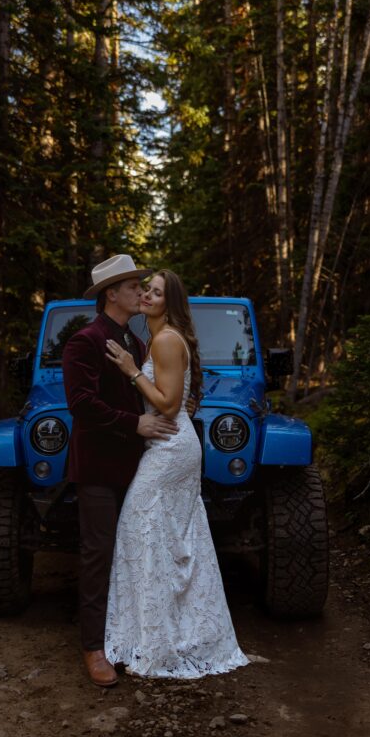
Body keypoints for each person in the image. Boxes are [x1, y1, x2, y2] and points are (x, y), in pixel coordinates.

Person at [103, 270, 249, 678]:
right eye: (145, 289)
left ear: (170, 302)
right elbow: (181, 396)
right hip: (169, 444)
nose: (147, 295)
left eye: (155, 292)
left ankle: (158, 640)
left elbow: (167, 406)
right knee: (169, 538)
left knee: (141, 527)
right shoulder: (158, 338)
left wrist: (132, 370)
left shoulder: (165, 339)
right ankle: (163, 633)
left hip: (170, 448)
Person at [62, 255, 179, 687]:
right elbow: (82, 405)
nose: (140, 292)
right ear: (112, 293)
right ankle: (93, 648)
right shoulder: (84, 341)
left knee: (137, 553)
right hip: (97, 468)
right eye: (133, 286)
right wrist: (135, 423)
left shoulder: (136, 340)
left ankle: (129, 638)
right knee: (99, 553)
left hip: (139, 465)